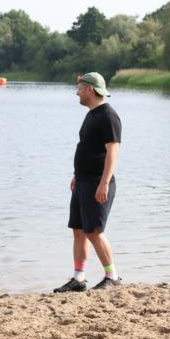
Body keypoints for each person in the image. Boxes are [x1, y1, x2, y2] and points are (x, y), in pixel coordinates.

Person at [53, 72, 124, 292]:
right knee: (79, 229)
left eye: (80, 88)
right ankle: (79, 279)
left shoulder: (108, 116)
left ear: (90, 90)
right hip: (83, 181)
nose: (77, 92)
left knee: (94, 230)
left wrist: (104, 182)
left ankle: (112, 277)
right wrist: (77, 174)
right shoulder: (92, 114)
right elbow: (89, 148)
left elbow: (113, 152)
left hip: (97, 182)